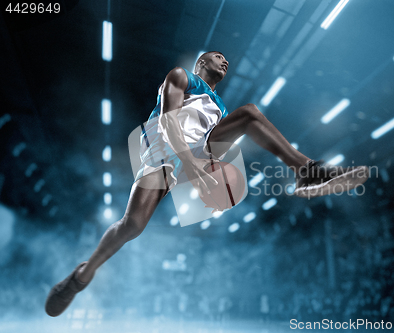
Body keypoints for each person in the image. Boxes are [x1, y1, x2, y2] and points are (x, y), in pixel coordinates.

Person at [45, 51, 368, 317]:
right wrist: (191, 166)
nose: (225, 61)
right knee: (133, 225)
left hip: (198, 153)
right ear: (201, 62)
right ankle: (82, 276)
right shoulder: (181, 77)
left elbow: (211, 141)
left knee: (250, 114)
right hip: (164, 150)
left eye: (227, 59)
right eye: (218, 57)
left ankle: (305, 170)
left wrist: (214, 177)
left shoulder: (220, 108)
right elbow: (170, 122)